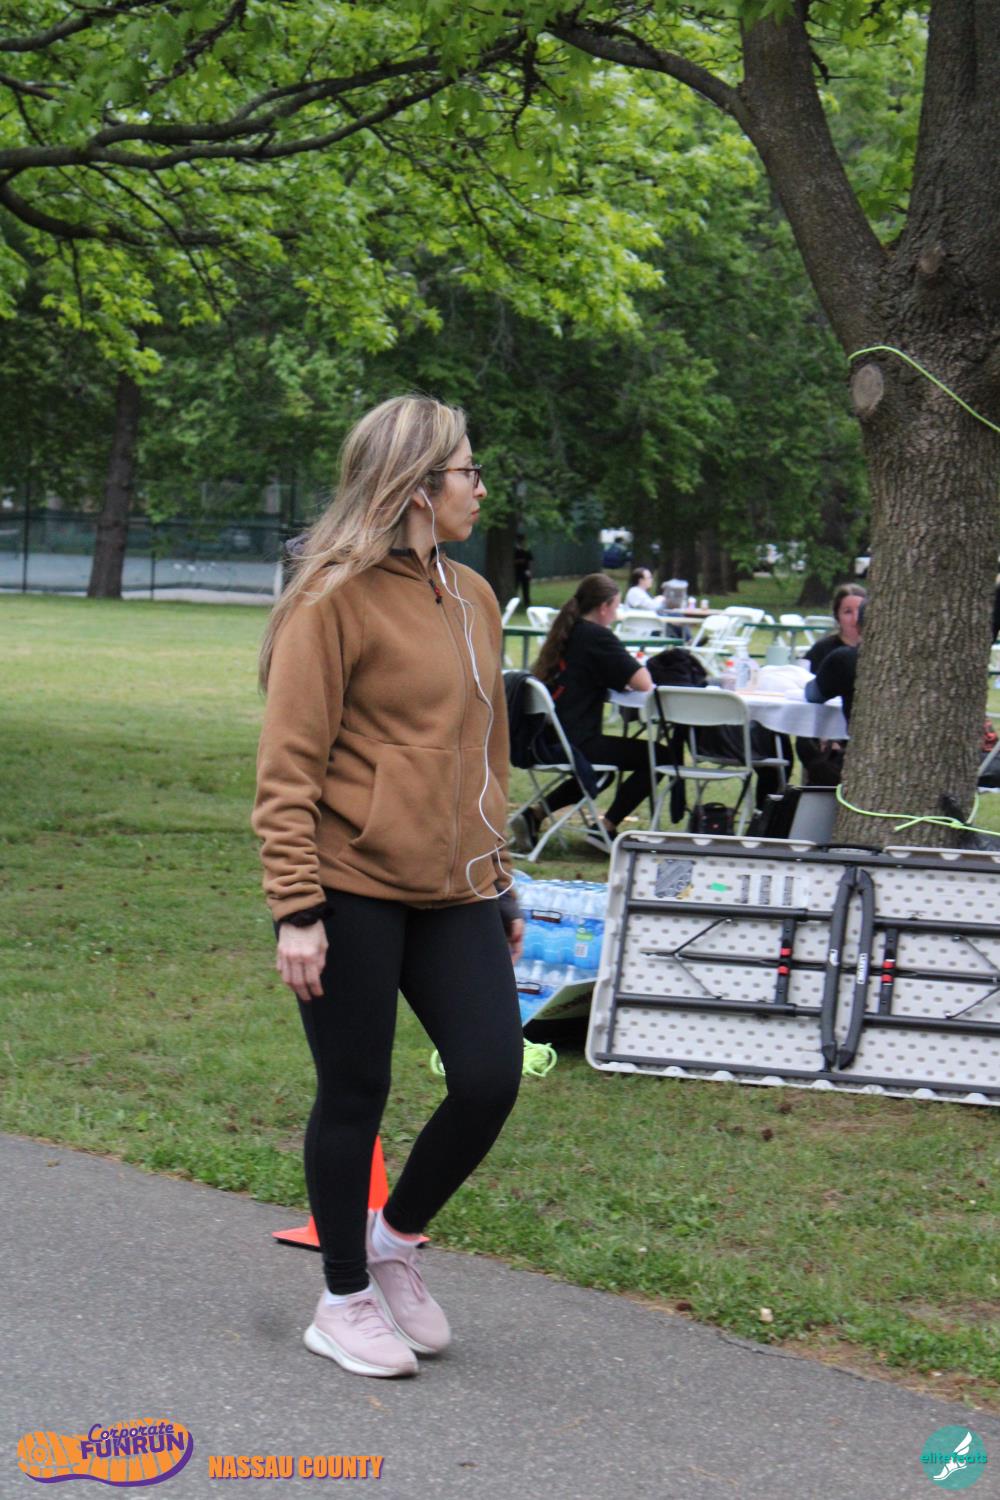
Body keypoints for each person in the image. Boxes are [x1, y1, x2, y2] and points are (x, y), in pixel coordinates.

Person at [253, 395, 525, 1382]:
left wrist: (499, 880)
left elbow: (488, 756)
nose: (479, 487)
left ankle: (394, 1240)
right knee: (355, 1091)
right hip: (350, 884)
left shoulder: (474, 596)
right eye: (466, 471)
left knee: (490, 1077)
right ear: (418, 487)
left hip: (456, 890)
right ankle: (342, 1301)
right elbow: (287, 768)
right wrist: (296, 907)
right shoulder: (331, 599)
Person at [512, 573, 663, 851]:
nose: (616, 615)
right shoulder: (597, 636)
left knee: (603, 772)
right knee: (662, 756)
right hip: (575, 740)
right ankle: (606, 827)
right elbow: (643, 682)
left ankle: (535, 815)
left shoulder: (568, 632)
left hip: (546, 737)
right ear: (604, 607)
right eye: (616, 607)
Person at [804, 583, 866, 672]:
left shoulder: (876, 649)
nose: (855, 618)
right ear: (837, 616)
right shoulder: (822, 649)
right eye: (848, 612)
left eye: (860, 610)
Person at [514, 531, 533, 610]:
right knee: (516, 587)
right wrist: (519, 561)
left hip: (525, 571)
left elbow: (530, 561)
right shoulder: (515, 550)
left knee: (526, 588)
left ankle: (526, 602)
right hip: (517, 571)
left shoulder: (526, 550)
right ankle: (515, 602)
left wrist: (530, 571)